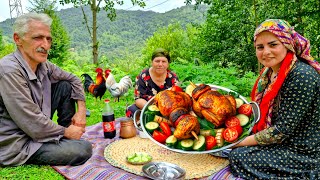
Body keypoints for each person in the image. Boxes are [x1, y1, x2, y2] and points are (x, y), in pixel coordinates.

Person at [229, 19, 320, 179]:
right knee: (237, 152)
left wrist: (237, 142)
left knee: (238, 155)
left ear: (287, 44)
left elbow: (281, 131)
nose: (266, 52)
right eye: (260, 47)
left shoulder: (301, 76)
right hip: (284, 141)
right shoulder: (270, 73)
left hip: (303, 149)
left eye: (273, 45)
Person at [0, 12, 92, 166]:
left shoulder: (43, 64)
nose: (46, 45)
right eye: (38, 38)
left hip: (38, 130)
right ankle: (67, 136)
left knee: (65, 85)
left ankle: (67, 136)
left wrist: (81, 110)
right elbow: (32, 122)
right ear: (18, 39)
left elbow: (74, 79)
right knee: (83, 149)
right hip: (19, 144)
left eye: (48, 39)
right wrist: (65, 132)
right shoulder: (9, 70)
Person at [126, 48, 179, 118]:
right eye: (157, 61)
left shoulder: (173, 78)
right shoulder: (143, 76)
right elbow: (138, 99)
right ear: (152, 62)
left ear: (168, 63)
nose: (160, 64)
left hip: (168, 109)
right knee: (131, 109)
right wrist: (152, 110)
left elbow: (178, 98)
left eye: (164, 61)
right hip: (146, 107)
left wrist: (165, 110)